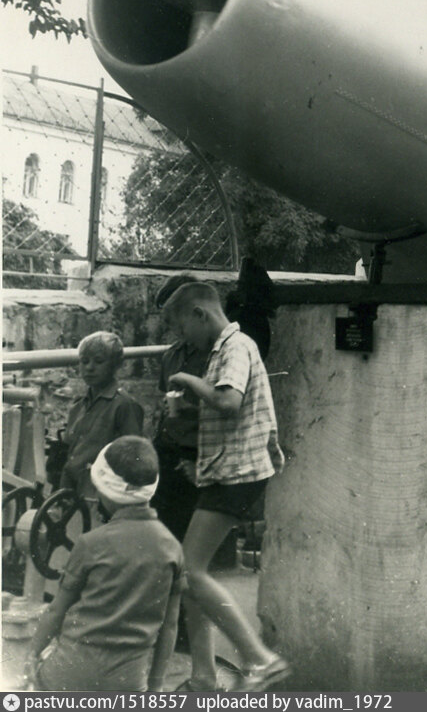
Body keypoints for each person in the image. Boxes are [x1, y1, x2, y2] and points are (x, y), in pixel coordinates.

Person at [162, 281, 289, 691]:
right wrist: (184, 411)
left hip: (240, 471)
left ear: (200, 314)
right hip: (225, 468)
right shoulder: (220, 352)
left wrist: (186, 379)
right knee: (189, 575)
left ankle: (259, 659)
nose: (183, 340)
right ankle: (203, 677)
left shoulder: (236, 346)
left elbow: (228, 402)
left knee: (190, 569)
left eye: (182, 329)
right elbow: (221, 417)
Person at [25, 436, 184, 691]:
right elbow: (169, 626)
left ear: (105, 490)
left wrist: (32, 654)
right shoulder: (172, 549)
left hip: (68, 675)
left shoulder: (91, 543)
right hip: (128, 683)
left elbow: (57, 611)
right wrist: (155, 687)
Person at [56, 332, 144, 509]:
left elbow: (133, 460)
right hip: (70, 493)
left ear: (115, 365)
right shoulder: (78, 407)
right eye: (84, 361)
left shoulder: (124, 406)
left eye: (98, 361)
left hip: (100, 499)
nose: (89, 367)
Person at [151, 273, 207, 541]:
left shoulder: (215, 354)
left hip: (197, 454)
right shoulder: (171, 356)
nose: (170, 326)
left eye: (173, 317)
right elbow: (165, 401)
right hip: (168, 450)